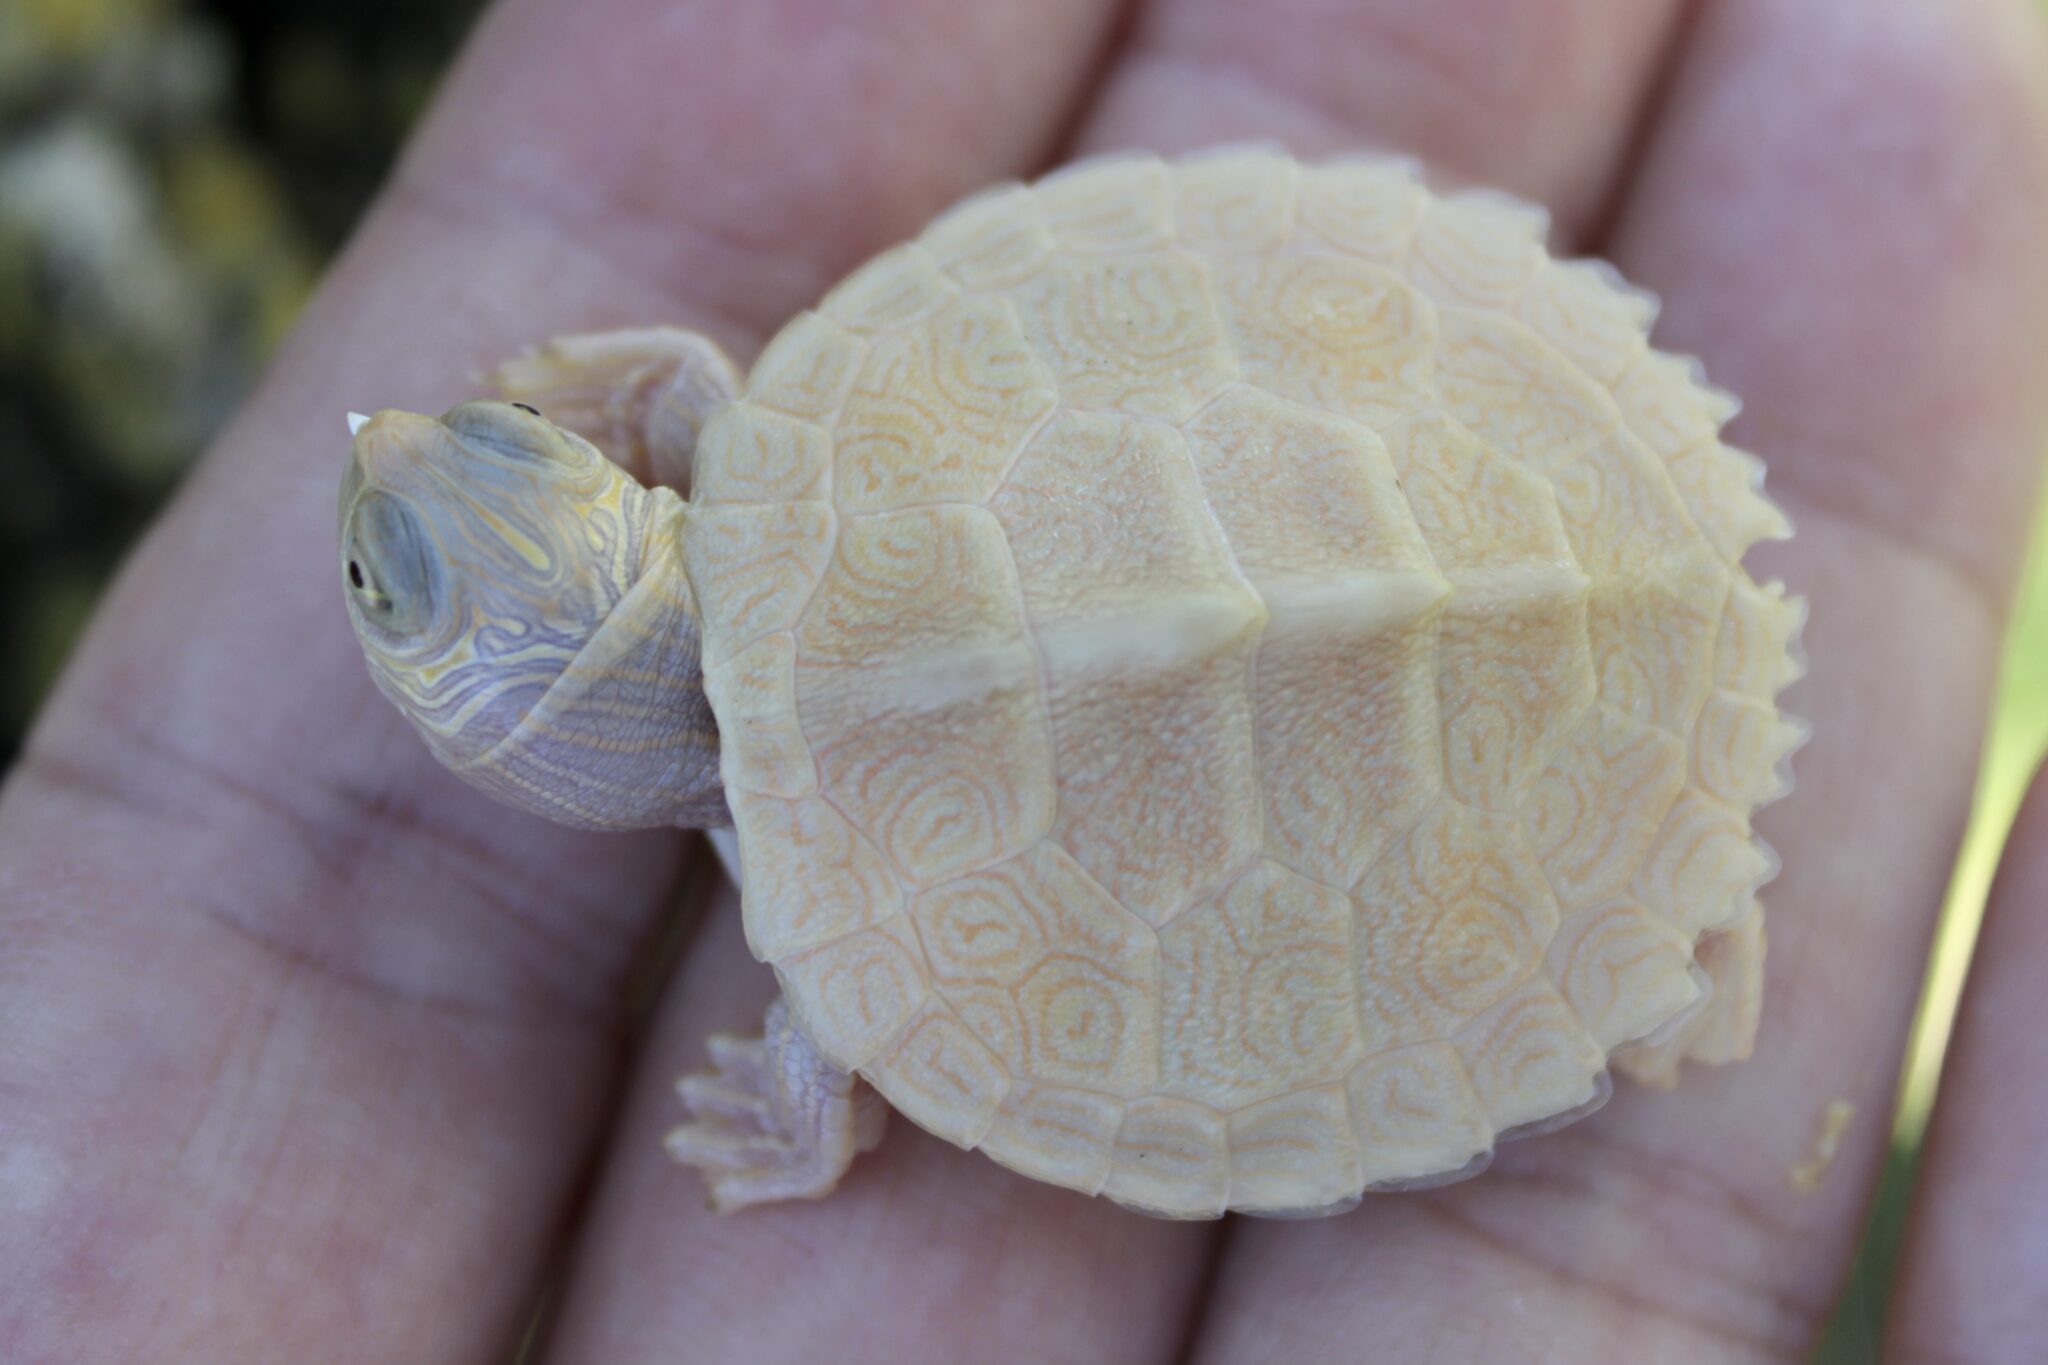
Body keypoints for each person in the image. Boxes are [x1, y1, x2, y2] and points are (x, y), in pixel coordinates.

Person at [4, 0, 2047, 1359]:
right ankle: (1664, 920)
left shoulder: (848, 970)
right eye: (405, 560)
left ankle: (1671, 926)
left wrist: (800, 1134)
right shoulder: (767, 436)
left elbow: (834, 1092)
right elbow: (678, 387)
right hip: (1437, 462)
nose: (390, 439)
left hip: (1464, 534)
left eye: (490, 460)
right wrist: (605, 399)